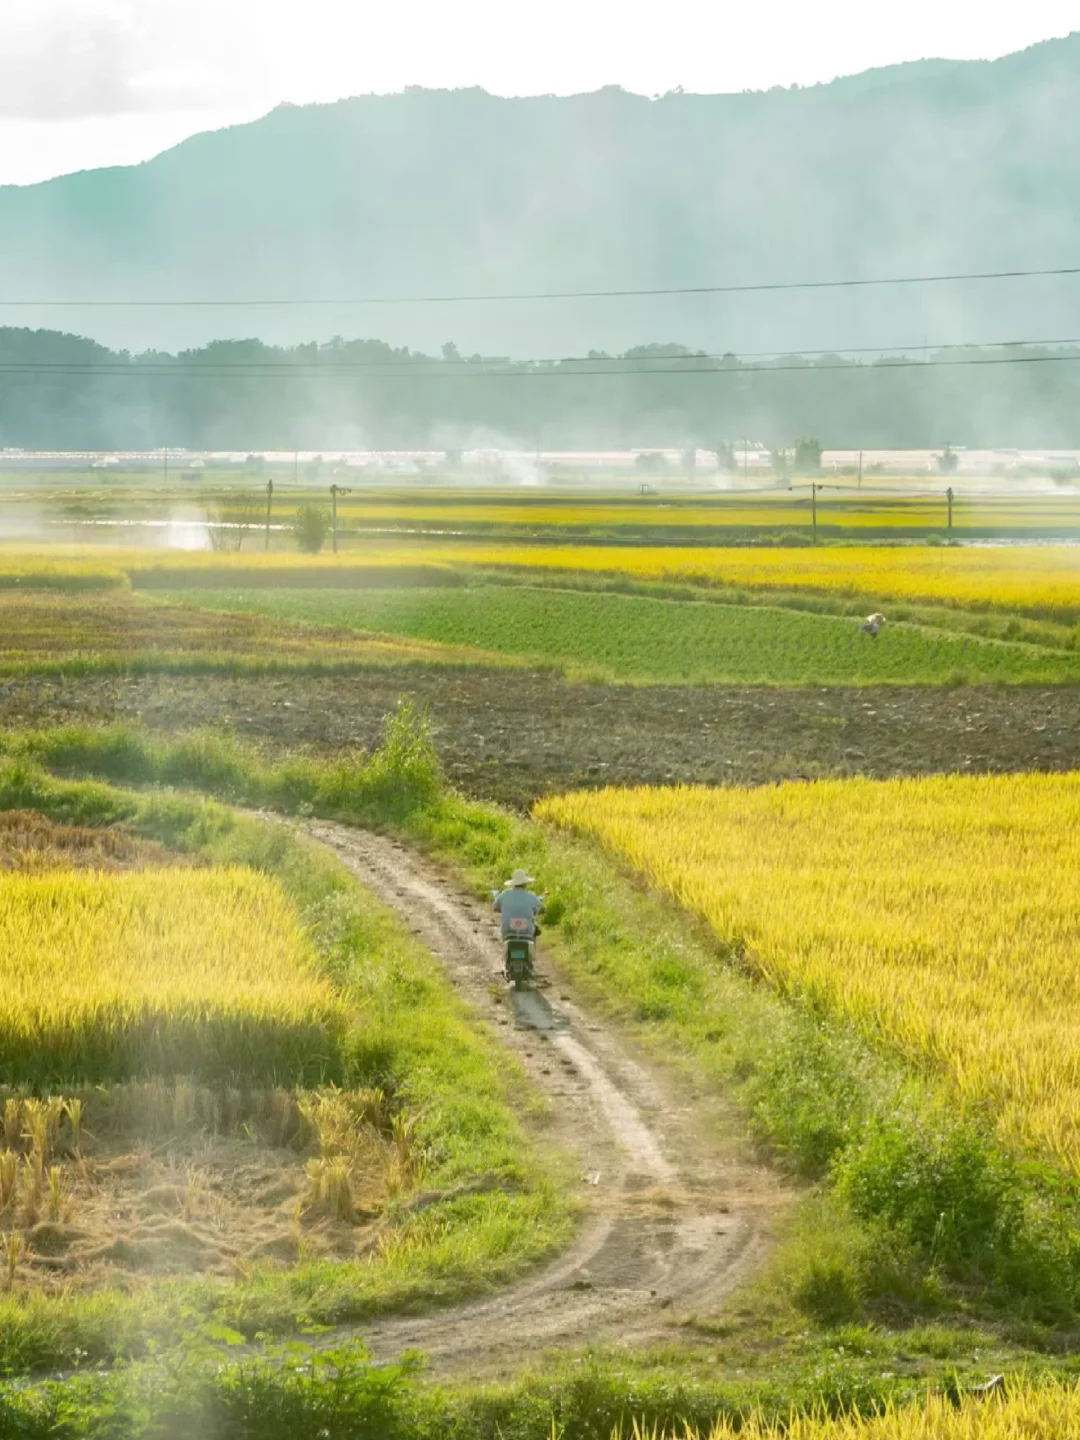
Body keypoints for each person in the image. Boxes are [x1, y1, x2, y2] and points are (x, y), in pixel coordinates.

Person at [493, 868, 545, 939]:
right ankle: (532, 949)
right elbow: (542, 909)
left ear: (513, 884)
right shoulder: (531, 896)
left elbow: (495, 907)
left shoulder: (504, 895)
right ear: (525, 883)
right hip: (527, 930)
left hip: (507, 929)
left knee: (505, 938)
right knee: (534, 930)